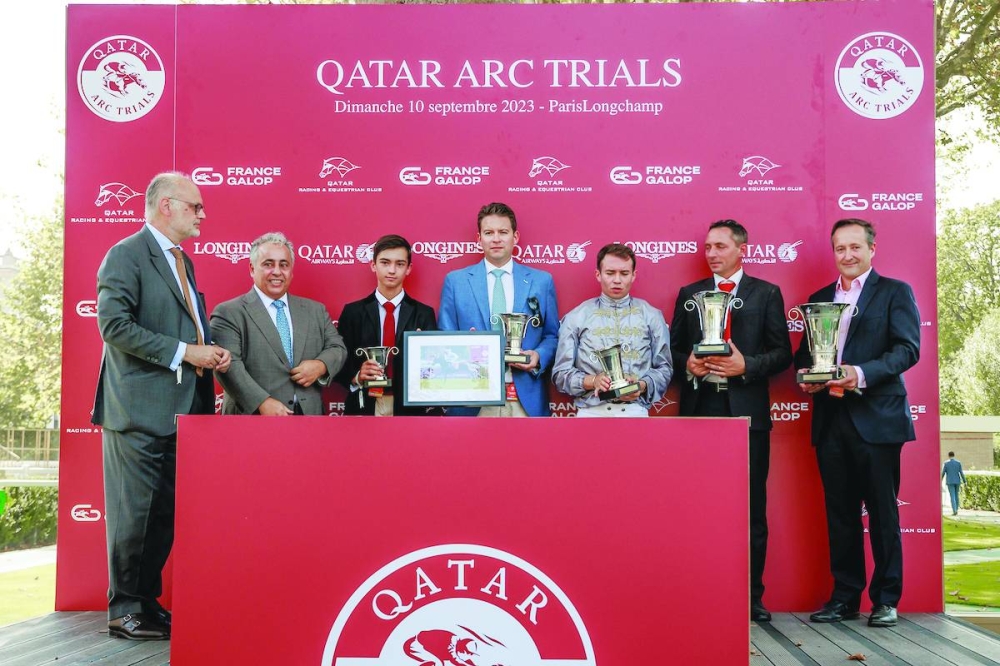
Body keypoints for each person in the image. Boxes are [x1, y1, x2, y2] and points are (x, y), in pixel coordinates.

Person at [93, 172, 231, 640]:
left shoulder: (181, 261)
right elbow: (114, 326)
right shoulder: (126, 255)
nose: (202, 215)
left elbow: (184, 325)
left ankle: (145, 603)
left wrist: (207, 349)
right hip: (136, 410)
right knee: (134, 515)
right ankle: (124, 609)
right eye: (196, 206)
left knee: (162, 516)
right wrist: (184, 352)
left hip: (182, 409)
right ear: (166, 206)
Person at [796, 218, 920, 629]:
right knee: (841, 514)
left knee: (883, 513)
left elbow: (907, 349)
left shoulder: (895, 292)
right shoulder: (817, 299)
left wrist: (860, 373)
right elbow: (804, 360)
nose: (847, 255)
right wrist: (808, 381)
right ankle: (845, 597)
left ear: (871, 248)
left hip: (877, 419)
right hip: (831, 422)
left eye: (854, 247)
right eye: (839, 248)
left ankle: (886, 599)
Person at [669, 219, 792, 623]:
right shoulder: (690, 295)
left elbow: (783, 354)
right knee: (698, 509)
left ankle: (751, 596)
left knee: (752, 510)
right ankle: (700, 588)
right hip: (699, 413)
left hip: (748, 416)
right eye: (707, 247)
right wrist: (687, 363)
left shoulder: (766, 294)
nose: (712, 253)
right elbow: (671, 353)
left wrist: (746, 366)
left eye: (720, 246)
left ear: (742, 249)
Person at [438, 202, 559, 417]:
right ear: (479, 238)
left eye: (503, 232)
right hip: (472, 400)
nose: (496, 239)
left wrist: (538, 356)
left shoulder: (542, 281)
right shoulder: (455, 282)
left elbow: (551, 335)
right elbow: (445, 339)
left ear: (516, 236)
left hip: (525, 401)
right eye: (488, 232)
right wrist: (464, 348)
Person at [210, 232, 347, 415]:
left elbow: (337, 347)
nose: (277, 271)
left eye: (284, 265)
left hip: (309, 418)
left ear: (291, 271)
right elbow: (228, 366)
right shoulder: (228, 312)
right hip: (251, 418)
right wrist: (262, 402)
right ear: (252, 269)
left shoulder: (315, 310)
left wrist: (320, 365)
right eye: (268, 264)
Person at [552, 243, 672, 417]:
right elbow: (560, 374)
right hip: (590, 413)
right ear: (598, 275)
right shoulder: (577, 316)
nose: (617, 280)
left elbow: (665, 369)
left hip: (635, 412)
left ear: (633, 275)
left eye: (624, 273)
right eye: (610, 273)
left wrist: (642, 385)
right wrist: (593, 381)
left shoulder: (651, 316)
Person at [334, 234, 439, 416]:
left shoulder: (424, 313)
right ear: (373, 265)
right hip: (364, 404)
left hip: (410, 408)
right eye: (385, 262)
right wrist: (357, 376)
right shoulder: (353, 312)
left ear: (408, 268)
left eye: (399, 264)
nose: (392, 270)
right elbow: (339, 360)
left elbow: (434, 368)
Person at [942, 451, 966, 516]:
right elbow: (961, 472)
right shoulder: (958, 463)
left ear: (948, 456)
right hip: (957, 481)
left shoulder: (946, 463)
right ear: (954, 455)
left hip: (950, 481)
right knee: (956, 495)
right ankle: (957, 509)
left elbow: (943, 473)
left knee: (952, 496)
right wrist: (964, 481)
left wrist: (940, 481)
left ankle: (954, 510)